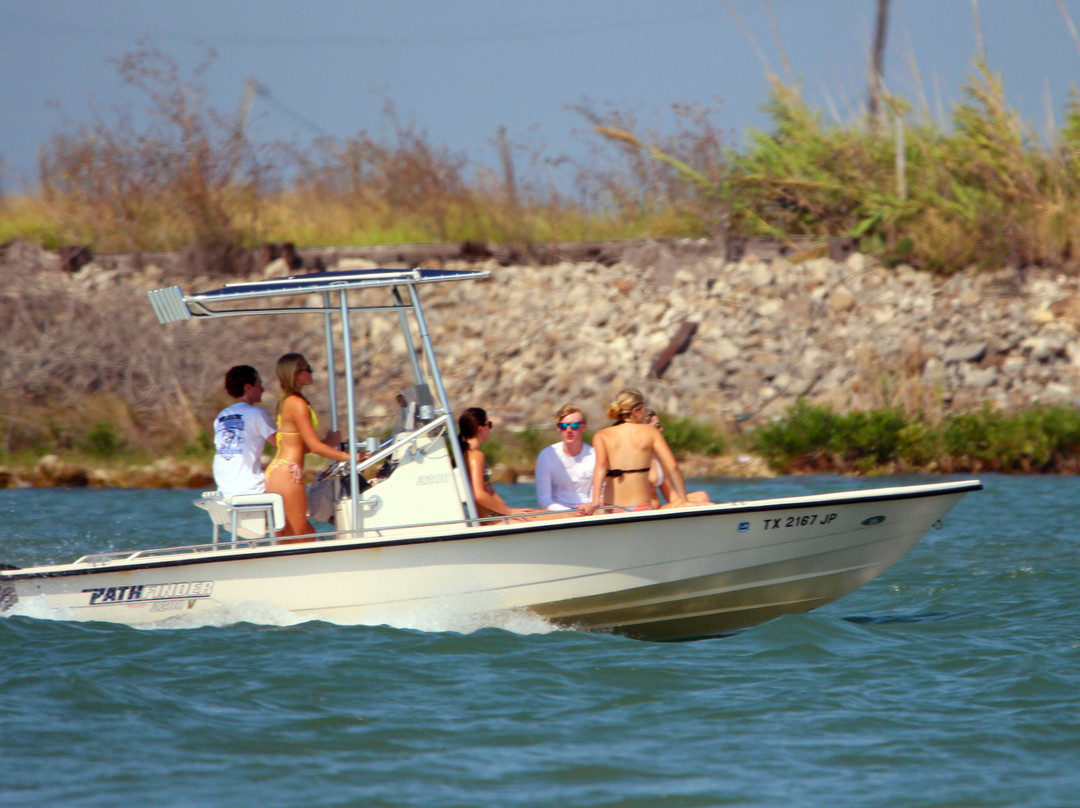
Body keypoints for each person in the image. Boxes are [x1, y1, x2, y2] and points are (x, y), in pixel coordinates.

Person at [265, 352, 366, 542]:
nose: (311, 372)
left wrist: (328, 442)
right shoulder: (297, 404)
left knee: (295, 536)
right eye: (307, 368)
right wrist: (350, 457)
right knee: (300, 537)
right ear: (295, 374)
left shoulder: (285, 401)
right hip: (288, 474)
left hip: (279, 471)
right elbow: (315, 447)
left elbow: (299, 447)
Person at [583, 389, 688, 515]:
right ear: (635, 411)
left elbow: (601, 467)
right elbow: (673, 466)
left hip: (610, 507)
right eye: (644, 409)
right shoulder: (651, 432)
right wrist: (684, 501)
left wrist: (595, 501)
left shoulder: (602, 435)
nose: (645, 413)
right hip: (641, 507)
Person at [458, 407, 535, 522]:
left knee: (556, 515)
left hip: (496, 516)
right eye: (489, 424)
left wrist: (509, 511)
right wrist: (509, 512)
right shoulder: (475, 456)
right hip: (493, 519)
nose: (490, 428)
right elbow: (478, 494)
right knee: (561, 516)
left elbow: (488, 490)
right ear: (480, 429)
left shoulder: (465, 454)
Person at [212, 365, 277, 497]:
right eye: (259, 384)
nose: (262, 389)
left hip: (224, 490)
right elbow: (284, 446)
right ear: (248, 387)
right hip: (251, 488)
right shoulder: (257, 413)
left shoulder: (221, 416)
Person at [644, 409, 712, 508]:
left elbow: (671, 495)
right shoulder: (636, 458)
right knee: (701, 501)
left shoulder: (657, 457)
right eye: (657, 426)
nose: (661, 429)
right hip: (643, 511)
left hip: (657, 510)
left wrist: (690, 504)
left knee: (701, 496)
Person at [534, 403, 595, 512]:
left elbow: (598, 496)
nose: (569, 430)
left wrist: (587, 508)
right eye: (563, 426)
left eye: (574, 425)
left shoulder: (595, 455)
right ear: (558, 428)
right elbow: (544, 499)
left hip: (589, 513)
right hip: (558, 514)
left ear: (584, 427)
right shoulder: (546, 455)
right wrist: (567, 513)